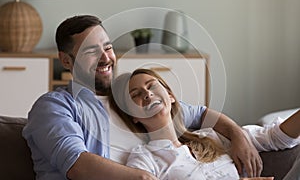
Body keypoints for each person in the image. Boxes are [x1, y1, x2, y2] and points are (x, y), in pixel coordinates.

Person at [22, 14, 262, 180]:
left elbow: (199, 114)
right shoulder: (55, 107)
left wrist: (237, 134)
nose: (106, 58)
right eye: (91, 51)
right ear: (66, 61)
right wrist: (146, 177)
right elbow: (78, 166)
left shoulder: (129, 97)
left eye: (107, 47)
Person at [110, 68, 300, 180]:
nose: (147, 94)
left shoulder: (211, 136)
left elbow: (276, 137)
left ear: (170, 95)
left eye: (151, 86)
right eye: (135, 95)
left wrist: (238, 135)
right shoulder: (144, 159)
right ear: (133, 116)